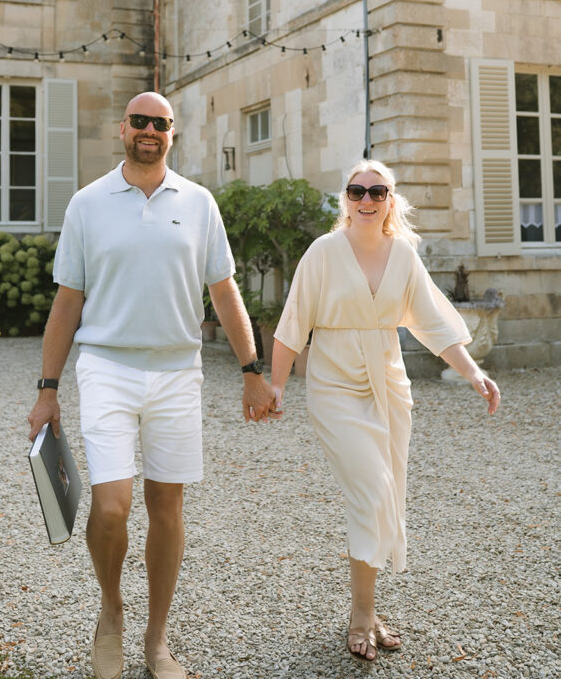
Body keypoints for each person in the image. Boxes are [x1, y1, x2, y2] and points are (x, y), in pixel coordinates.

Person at [27, 91, 278, 679]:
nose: (149, 131)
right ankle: (111, 611)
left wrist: (251, 370)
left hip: (177, 371)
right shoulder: (88, 204)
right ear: (123, 129)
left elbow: (224, 291)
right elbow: (68, 301)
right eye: (139, 121)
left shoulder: (199, 203)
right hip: (107, 367)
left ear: (172, 134)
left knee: (167, 504)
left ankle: (156, 639)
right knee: (111, 507)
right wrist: (47, 389)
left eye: (160, 124)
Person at [270, 159, 500, 663]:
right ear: (345, 199)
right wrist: (277, 387)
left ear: (391, 200)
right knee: (373, 491)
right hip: (334, 387)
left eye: (378, 192)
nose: (367, 201)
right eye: (357, 191)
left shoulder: (403, 255)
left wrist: (473, 373)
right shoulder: (323, 253)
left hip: (389, 388)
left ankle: (368, 612)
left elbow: (435, 321)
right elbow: (293, 324)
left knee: (383, 494)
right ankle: (360, 617)